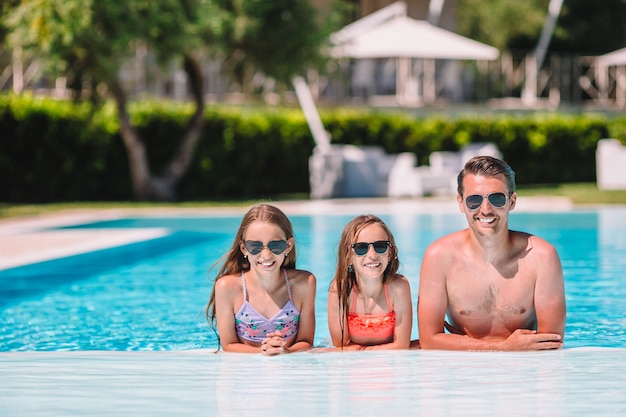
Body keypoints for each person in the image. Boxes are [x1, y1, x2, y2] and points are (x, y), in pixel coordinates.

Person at [417, 155, 566, 351]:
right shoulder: (439, 257)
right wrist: (503, 347)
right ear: (461, 203)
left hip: (523, 371)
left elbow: (552, 341)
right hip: (464, 371)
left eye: (497, 199)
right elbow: (429, 340)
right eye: (474, 200)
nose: (485, 209)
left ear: (511, 201)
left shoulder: (541, 257)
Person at [206, 204, 316, 355]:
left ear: (288, 246)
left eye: (275, 245)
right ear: (244, 248)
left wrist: (287, 351)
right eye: (255, 246)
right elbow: (229, 345)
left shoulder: (305, 283)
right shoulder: (227, 287)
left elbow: (306, 342)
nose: (266, 255)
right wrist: (263, 351)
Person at [327, 214, 412, 350]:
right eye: (361, 248)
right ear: (348, 257)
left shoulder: (398, 287)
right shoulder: (341, 289)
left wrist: (362, 350)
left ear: (389, 254)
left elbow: (401, 346)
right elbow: (341, 347)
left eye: (380, 246)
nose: (372, 255)